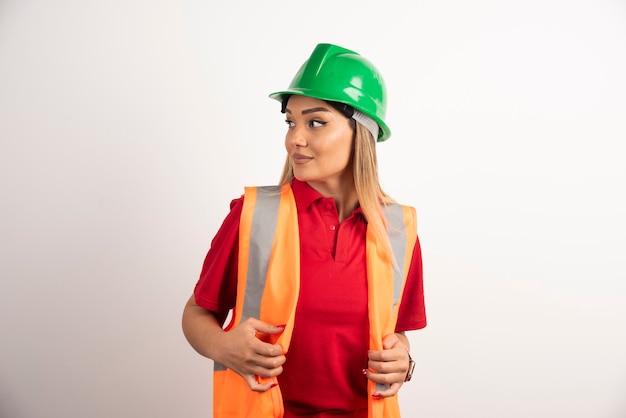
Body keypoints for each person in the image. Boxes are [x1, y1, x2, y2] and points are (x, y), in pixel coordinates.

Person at [182, 43, 426, 418]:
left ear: (361, 131)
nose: (295, 138)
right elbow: (197, 313)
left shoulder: (398, 229)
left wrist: (403, 360)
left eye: (315, 122)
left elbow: (394, 335)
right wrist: (222, 346)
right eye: (290, 122)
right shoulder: (253, 215)